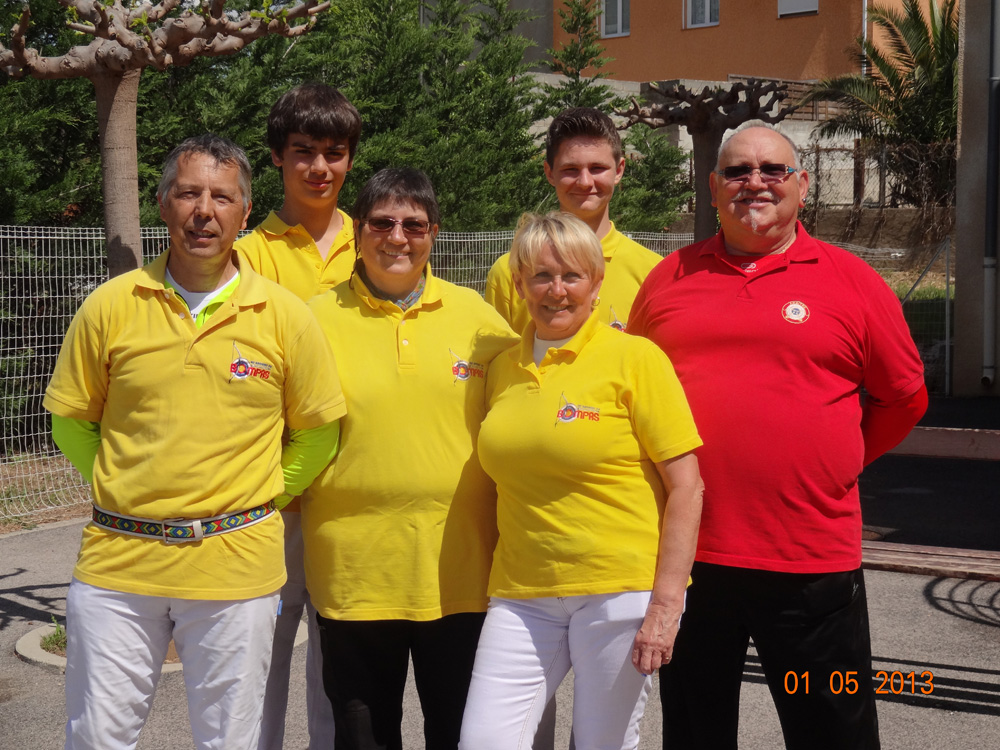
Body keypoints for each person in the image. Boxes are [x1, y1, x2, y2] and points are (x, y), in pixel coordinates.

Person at [627, 125, 929, 750]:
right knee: (695, 732)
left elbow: (904, 398)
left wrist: (840, 462)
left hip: (809, 560)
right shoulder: (668, 278)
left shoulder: (851, 280)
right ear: (713, 186)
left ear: (802, 185)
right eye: (738, 171)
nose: (755, 182)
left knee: (831, 731)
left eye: (772, 170)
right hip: (690, 560)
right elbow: (632, 397)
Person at [44, 134, 347, 750]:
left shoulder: (286, 316)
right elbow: (70, 422)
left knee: (229, 741)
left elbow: (319, 433)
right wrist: (126, 483)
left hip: (236, 566)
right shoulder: (111, 306)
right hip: (118, 564)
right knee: (97, 736)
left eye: (222, 197)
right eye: (188, 193)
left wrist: (261, 496)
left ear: (244, 211)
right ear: (163, 205)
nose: (204, 211)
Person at [459, 211, 704, 750]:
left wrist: (666, 604)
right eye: (542, 276)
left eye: (572, 275)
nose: (557, 290)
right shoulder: (501, 369)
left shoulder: (635, 358)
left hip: (619, 591)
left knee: (602, 743)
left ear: (596, 283)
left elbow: (688, 485)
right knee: (484, 741)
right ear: (518, 284)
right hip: (522, 592)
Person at [304, 167, 519, 750]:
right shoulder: (311, 320)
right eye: (382, 223)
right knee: (364, 738)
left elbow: (523, 416)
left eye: (414, 225)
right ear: (357, 231)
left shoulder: (478, 319)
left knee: (459, 736)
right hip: (353, 573)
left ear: (434, 234)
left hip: (462, 572)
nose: (397, 237)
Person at [235, 82, 362, 750]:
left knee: (336, 660)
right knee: (261, 653)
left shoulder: (377, 241)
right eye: (303, 150)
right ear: (277, 157)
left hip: (353, 488)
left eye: (334, 152)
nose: (319, 166)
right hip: (276, 490)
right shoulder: (249, 253)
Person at [485, 107, 661, 333]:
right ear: (550, 172)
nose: (585, 182)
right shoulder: (511, 273)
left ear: (619, 170)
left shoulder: (653, 273)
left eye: (597, 168)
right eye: (571, 169)